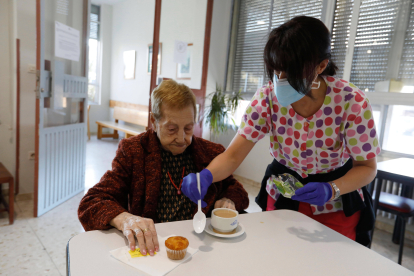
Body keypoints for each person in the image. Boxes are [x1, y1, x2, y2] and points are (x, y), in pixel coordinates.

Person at [182, 16, 379, 247]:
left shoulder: (351, 102)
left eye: (291, 72)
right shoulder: (266, 99)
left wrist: (332, 188)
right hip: (284, 194)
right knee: (277, 255)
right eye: (277, 70)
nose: (281, 80)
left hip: (336, 200)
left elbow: (367, 168)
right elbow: (233, 155)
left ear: (321, 66)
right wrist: (206, 175)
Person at [78, 79, 249, 256]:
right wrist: (124, 218)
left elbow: (238, 192)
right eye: (172, 129)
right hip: (153, 247)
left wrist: (229, 200)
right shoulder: (134, 152)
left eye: (188, 128)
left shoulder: (211, 152)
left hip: (201, 247)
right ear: (154, 120)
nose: (182, 138)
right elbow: (91, 203)